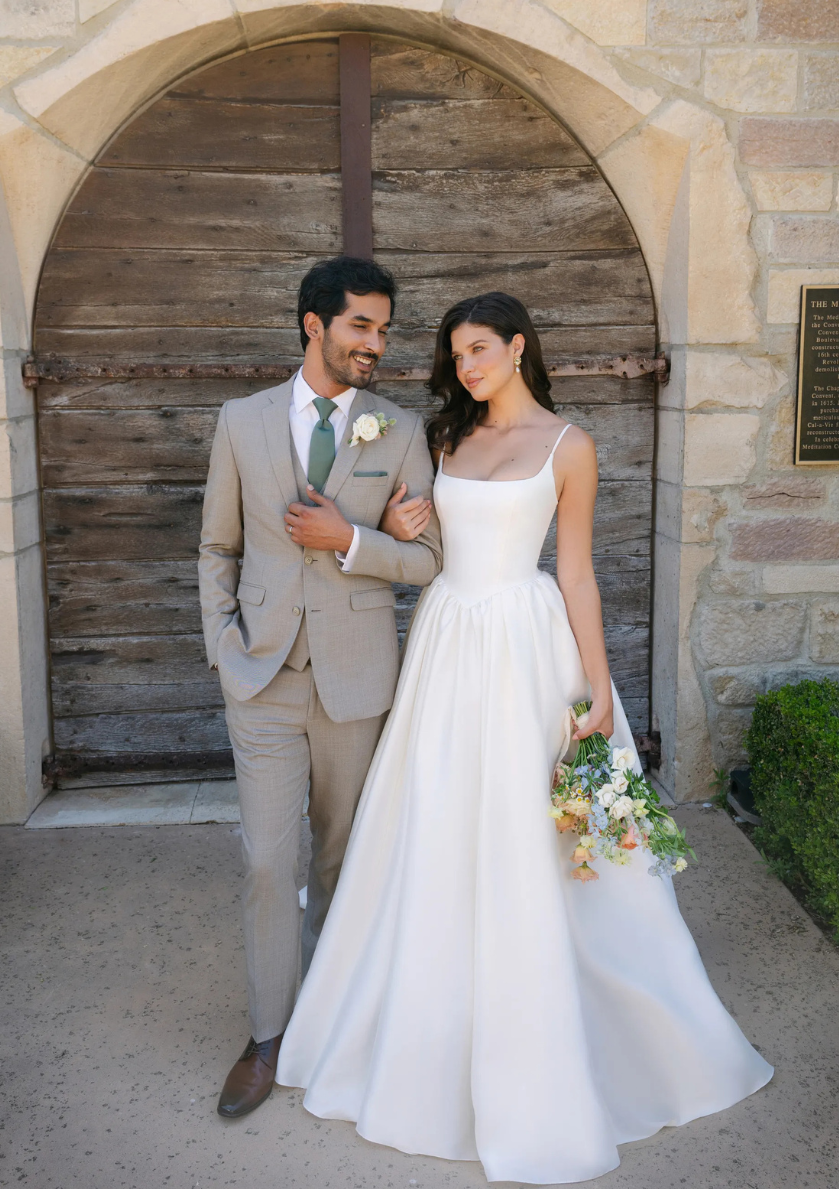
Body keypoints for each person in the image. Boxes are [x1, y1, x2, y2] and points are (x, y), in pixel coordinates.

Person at [276, 292, 772, 1185]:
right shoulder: (441, 440)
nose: (465, 367)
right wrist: (393, 524)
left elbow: (575, 572)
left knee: (535, 833)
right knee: (432, 824)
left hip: (524, 646)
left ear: (516, 348)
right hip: (446, 638)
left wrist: (601, 685)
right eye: (454, 354)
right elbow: (420, 547)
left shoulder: (567, 445)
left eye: (479, 350)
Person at [198, 256, 442, 1120]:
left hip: (354, 681)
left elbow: (427, 560)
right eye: (361, 327)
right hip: (261, 676)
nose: (376, 343)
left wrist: (352, 540)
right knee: (270, 862)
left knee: (342, 857)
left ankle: (333, 1022)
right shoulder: (242, 421)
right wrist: (223, 648)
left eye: (383, 328)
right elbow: (217, 547)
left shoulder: (402, 431)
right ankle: (269, 1036)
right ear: (315, 324)